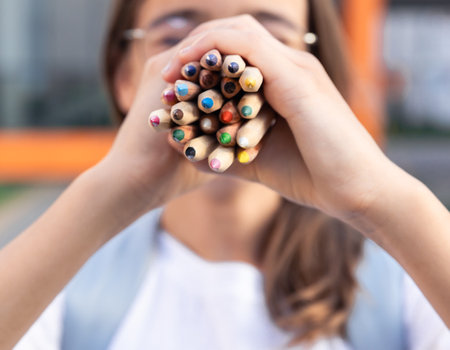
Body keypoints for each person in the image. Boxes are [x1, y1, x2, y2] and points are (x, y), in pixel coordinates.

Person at [1, 0, 449, 349]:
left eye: (271, 38)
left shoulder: (400, 280)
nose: (224, 58)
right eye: (176, 34)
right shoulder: (60, 284)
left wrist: (379, 199)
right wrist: (109, 193)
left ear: (318, 73)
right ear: (123, 77)